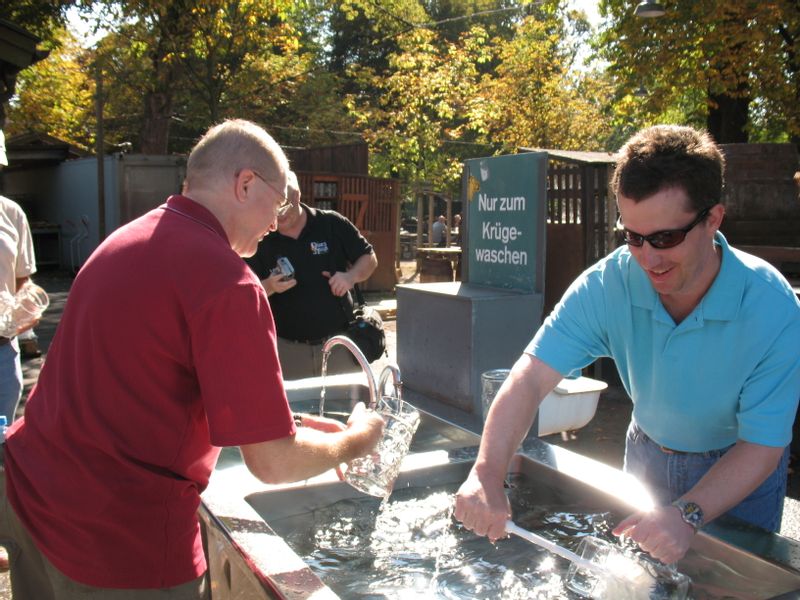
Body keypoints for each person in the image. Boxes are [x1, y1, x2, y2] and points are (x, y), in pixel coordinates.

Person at [0, 119, 384, 599]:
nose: (276, 223)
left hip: (33, 499)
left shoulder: (123, 240)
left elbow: (138, 379)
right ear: (246, 184)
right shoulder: (230, 284)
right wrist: (356, 441)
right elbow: (273, 464)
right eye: (279, 202)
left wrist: (291, 424)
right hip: (119, 542)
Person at [455, 125, 800, 565]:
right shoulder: (609, 284)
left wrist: (687, 513)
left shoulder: (771, 307)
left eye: (665, 238)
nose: (647, 259)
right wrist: (486, 471)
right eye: (632, 237)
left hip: (736, 470)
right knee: (636, 582)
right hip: (647, 454)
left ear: (713, 219)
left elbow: (763, 446)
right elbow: (529, 378)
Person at [246, 171, 378, 379]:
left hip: (339, 346)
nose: (279, 215)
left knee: (345, 409)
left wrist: (349, 277)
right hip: (287, 350)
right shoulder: (261, 236)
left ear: (297, 195)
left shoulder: (331, 224)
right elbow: (243, 291)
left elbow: (369, 258)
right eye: (273, 207)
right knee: (293, 411)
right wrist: (269, 286)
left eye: (285, 206)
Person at [0, 193, 37, 424]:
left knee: (2, 436)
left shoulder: (11, 212)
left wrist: (26, 314)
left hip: (2, 347)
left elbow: (22, 280)